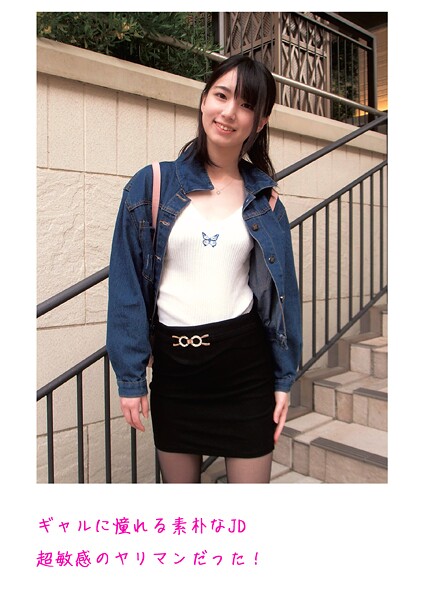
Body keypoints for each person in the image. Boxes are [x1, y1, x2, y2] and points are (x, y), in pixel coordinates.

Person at [106, 54, 302, 484]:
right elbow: (126, 287)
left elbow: (283, 296)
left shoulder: (266, 202)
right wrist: (130, 377)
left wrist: (284, 378)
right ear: (204, 100)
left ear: (260, 122)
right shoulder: (152, 184)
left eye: (246, 105)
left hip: (245, 374)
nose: (229, 112)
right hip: (177, 376)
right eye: (221, 95)